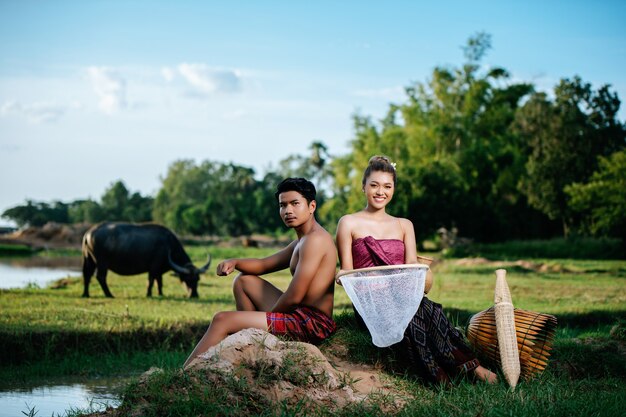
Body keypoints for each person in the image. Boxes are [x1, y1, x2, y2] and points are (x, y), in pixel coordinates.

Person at [335, 156, 497, 384]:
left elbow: (413, 271)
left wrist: (411, 290)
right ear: (364, 187)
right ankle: (444, 376)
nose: (380, 191)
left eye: (387, 186)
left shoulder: (404, 225)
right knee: (411, 317)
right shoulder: (348, 222)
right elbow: (346, 270)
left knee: (431, 311)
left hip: (402, 296)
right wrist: (342, 276)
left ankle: (472, 367)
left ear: (393, 190)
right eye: (374, 185)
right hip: (371, 304)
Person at [183, 178, 337, 368]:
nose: (288, 210)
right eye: (283, 205)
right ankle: (254, 346)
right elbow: (264, 264)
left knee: (221, 319)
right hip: (299, 315)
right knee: (243, 282)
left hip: (312, 325)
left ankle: (183, 374)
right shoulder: (302, 240)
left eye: (295, 203)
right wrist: (235, 262)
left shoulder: (315, 241)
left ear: (311, 206)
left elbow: (295, 295)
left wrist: (267, 321)